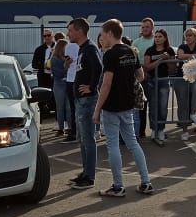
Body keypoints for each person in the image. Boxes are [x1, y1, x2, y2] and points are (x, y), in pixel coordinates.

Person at [93, 19, 154, 197]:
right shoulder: (130, 51)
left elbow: (106, 84)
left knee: (113, 145)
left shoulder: (110, 55)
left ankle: (118, 186)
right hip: (128, 104)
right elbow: (141, 75)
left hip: (112, 105)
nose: (102, 38)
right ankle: (146, 182)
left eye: (103, 35)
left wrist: (97, 109)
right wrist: (127, 80)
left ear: (110, 33)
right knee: (133, 143)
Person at [67, 18, 102, 189]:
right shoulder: (82, 49)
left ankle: (90, 178)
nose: (68, 34)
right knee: (82, 139)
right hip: (80, 100)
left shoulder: (90, 48)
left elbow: (99, 68)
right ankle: (85, 172)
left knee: (88, 139)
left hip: (87, 101)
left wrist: (91, 86)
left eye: (71, 30)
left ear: (80, 31)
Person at [143, 29, 177, 145]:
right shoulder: (150, 50)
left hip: (164, 80)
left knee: (163, 106)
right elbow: (147, 67)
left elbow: (173, 68)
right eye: (156, 37)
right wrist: (161, 59)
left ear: (165, 38)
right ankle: (154, 130)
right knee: (153, 106)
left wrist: (168, 59)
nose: (157, 39)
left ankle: (161, 130)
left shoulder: (170, 50)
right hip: (151, 81)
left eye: (160, 36)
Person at [176, 27, 196, 135]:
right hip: (182, 78)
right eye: (187, 35)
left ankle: (193, 112)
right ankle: (184, 130)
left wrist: (192, 57)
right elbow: (180, 55)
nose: (188, 37)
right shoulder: (182, 46)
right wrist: (195, 56)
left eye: (190, 35)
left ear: (195, 36)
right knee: (182, 104)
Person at [50, 37, 71, 136]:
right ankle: (61, 128)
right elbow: (58, 74)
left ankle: (70, 128)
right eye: (65, 47)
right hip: (59, 85)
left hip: (68, 84)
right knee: (60, 107)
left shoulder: (68, 57)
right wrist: (66, 66)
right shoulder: (54, 59)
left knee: (69, 107)